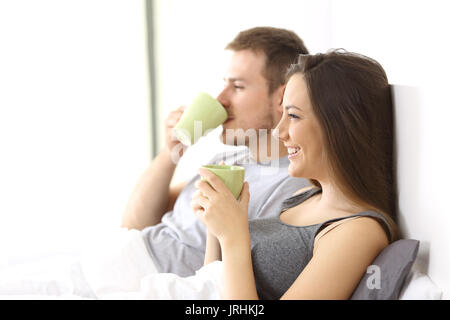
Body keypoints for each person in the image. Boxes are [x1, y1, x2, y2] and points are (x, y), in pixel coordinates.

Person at [81, 49, 399, 300]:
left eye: (293, 116)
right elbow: (213, 280)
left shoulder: (358, 229)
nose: (280, 131)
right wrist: (215, 228)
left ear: (340, 128)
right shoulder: (307, 197)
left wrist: (234, 235)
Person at [120, 27, 311, 277]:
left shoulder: (290, 184)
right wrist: (170, 154)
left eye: (238, 86)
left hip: (145, 281)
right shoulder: (226, 162)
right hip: (122, 260)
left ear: (283, 96)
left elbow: (230, 277)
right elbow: (133, 226)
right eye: (225, 85)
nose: (220, 99)